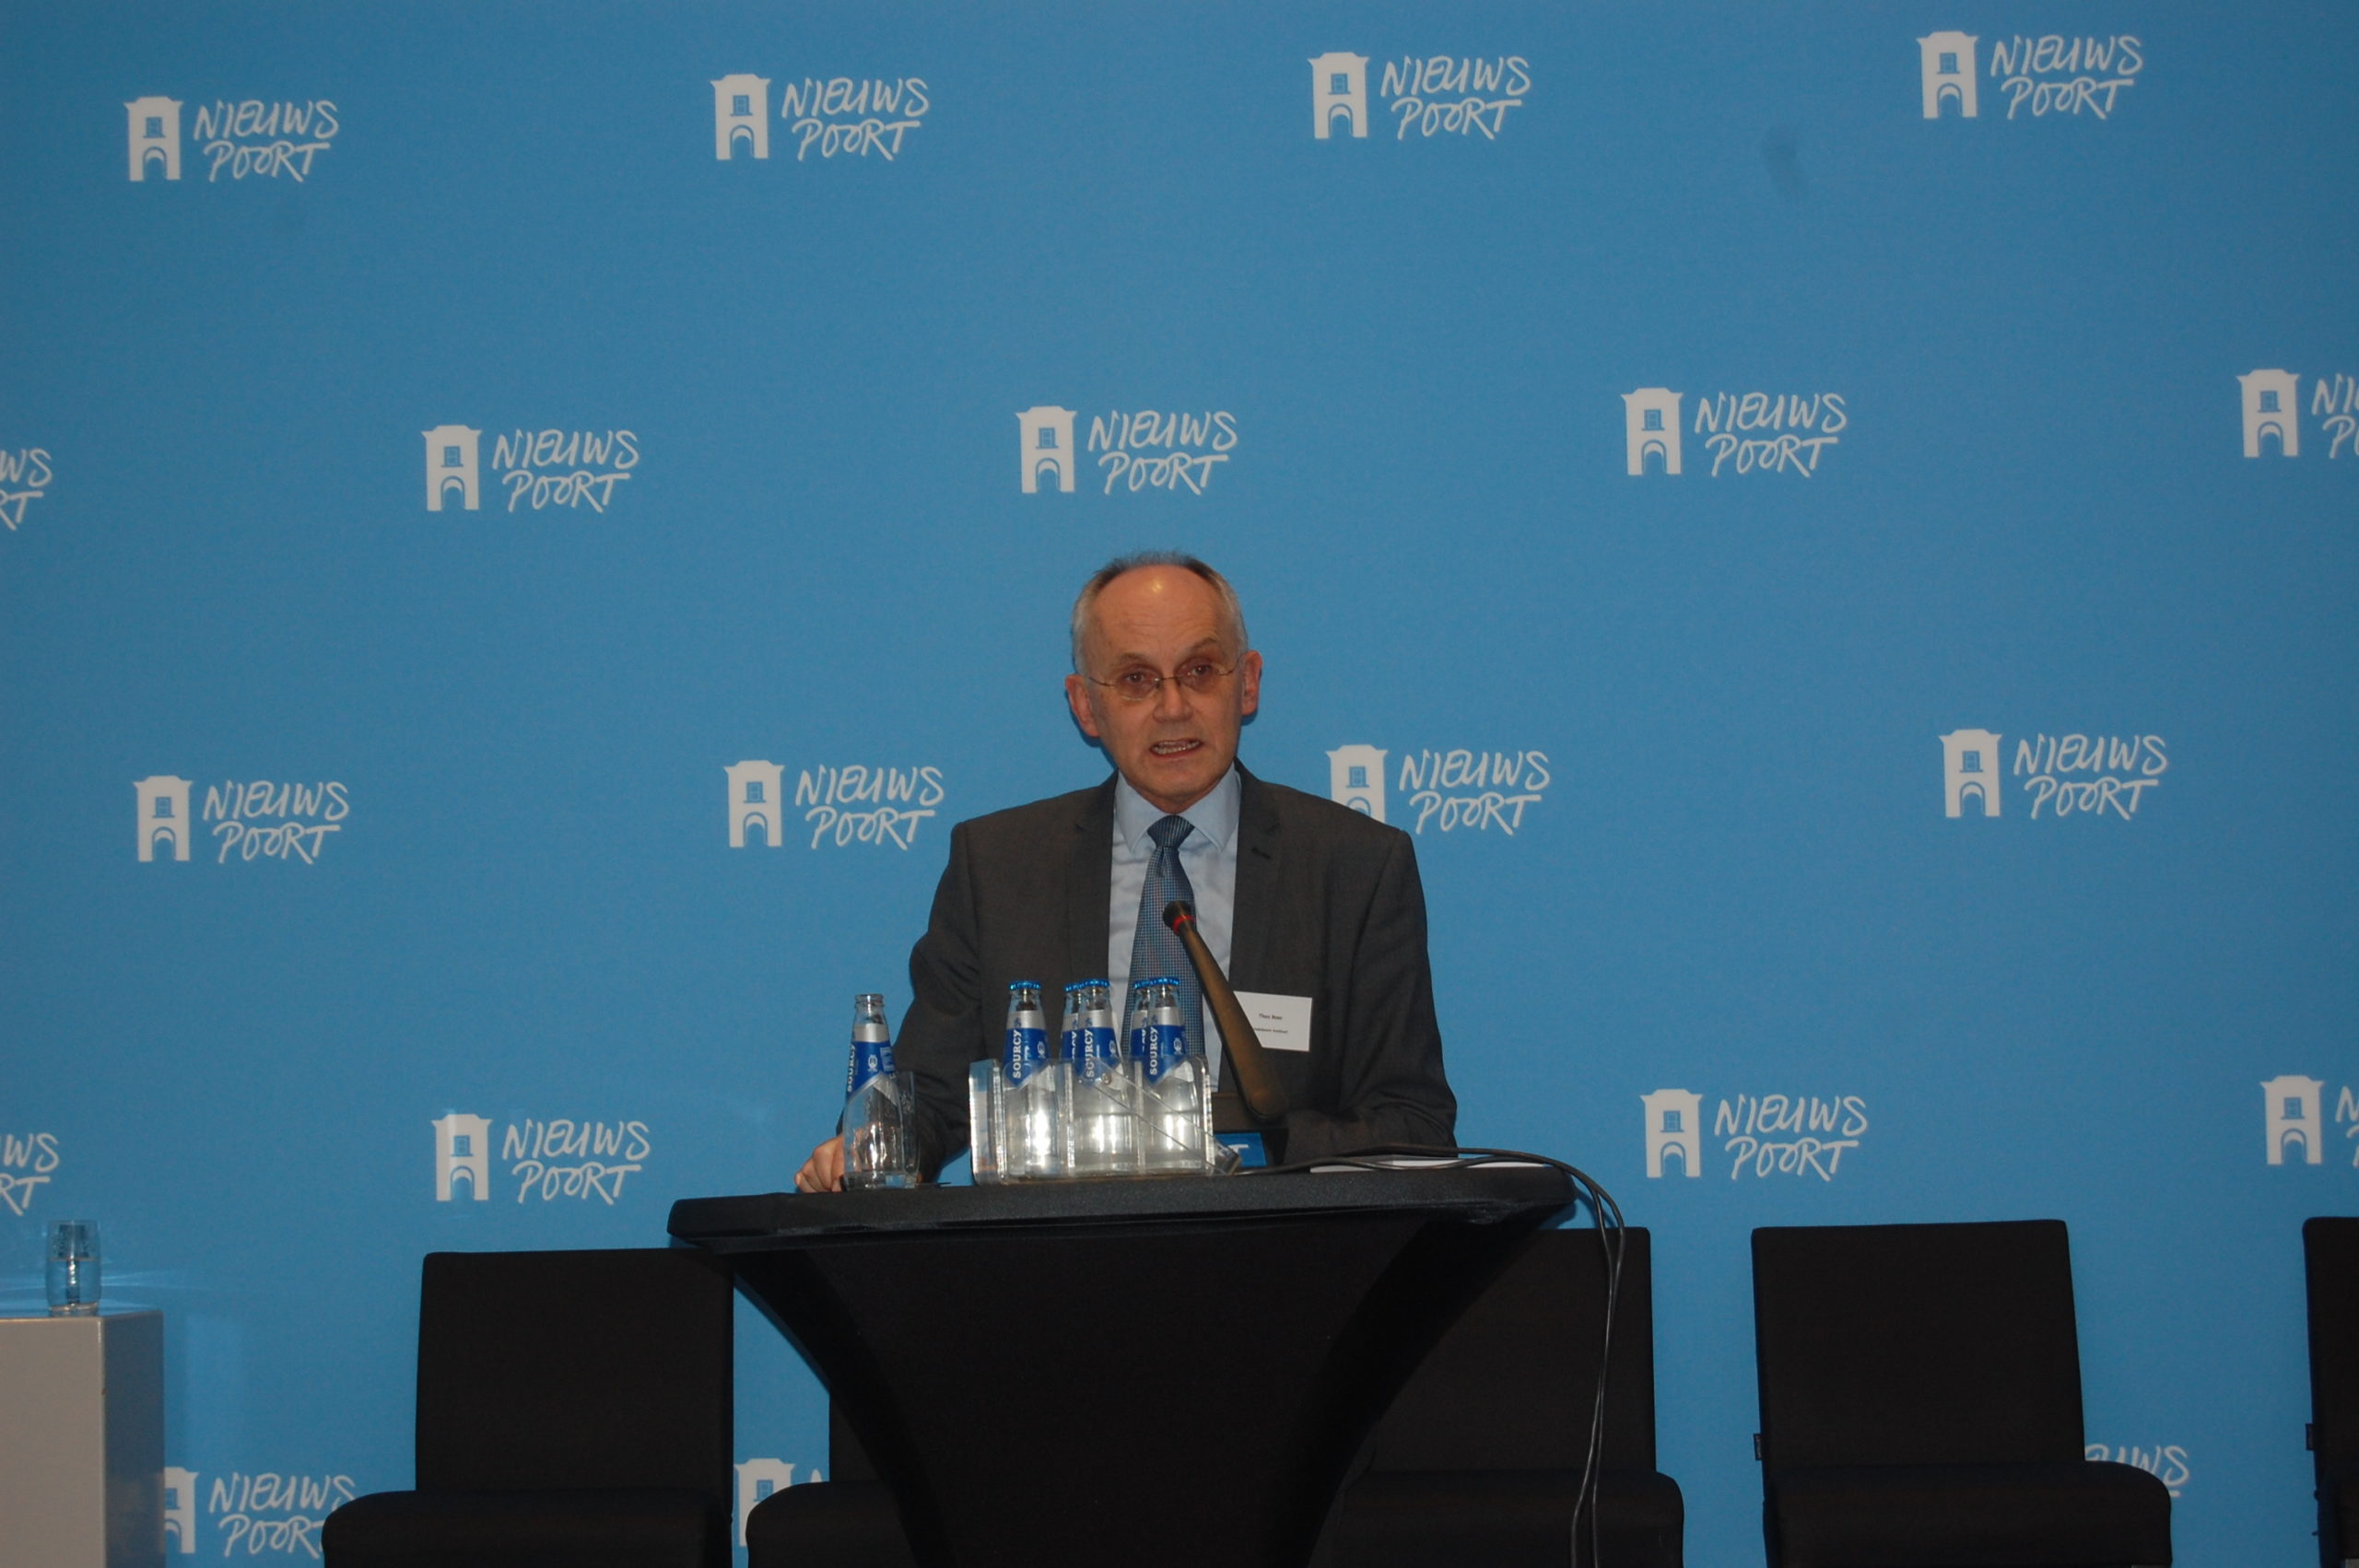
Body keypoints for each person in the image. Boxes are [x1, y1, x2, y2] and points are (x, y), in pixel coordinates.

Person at [795, 553, 1455, 1189]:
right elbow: (933, 1100)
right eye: (1137, 679)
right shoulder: (997, 866)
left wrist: (1235, 1142)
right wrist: (875, 1145)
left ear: (1248, 682)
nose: (1173, 707)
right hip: (1062, 1246)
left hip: (1277, 1247)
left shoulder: (1353, 867)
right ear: (1085, 705)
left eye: (1200, 670)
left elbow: (1412, 1124)